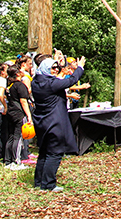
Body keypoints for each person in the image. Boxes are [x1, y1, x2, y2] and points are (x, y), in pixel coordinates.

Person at [31, 54, 86, 191]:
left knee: (44, 152)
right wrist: (80, 68)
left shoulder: (36, 82)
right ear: (45, 68)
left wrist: (61, 64)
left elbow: (59, 78)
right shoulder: (51, 84)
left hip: (42, 121)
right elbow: (71, 80)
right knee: (54, 153)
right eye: (53, 67)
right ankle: (48, 184)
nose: (55, 69)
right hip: (55, 121)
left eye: (56, 67)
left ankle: (38, 181)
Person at [4, 65, 34, 171]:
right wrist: (29, 116)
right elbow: (23, 101)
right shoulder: (20, 86)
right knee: (18, 137)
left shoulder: (9, 86)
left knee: (11, 137)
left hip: (10, 112)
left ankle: (7, 160)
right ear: (17, 74)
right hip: (19, 113)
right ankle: (16, 161)